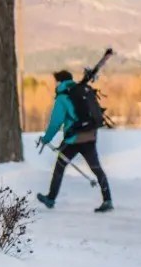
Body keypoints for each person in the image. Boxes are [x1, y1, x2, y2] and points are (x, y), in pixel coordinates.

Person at [36, 69, 113, 213]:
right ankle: (107, 199)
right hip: (90, 135)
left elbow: (56, 122)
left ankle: (51, 198)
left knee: (59, 166)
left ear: (59, 81)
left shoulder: (63, 97)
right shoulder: (83, 90)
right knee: (96, 168)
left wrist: (46, 139)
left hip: (74, 139)